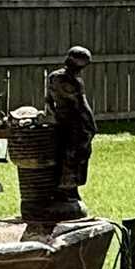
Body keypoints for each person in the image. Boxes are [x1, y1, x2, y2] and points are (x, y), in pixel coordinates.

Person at [43, 44, 95, 211]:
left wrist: (54, 117)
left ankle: (62, 189)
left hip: (60, 122)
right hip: (76, 123)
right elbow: (82, 105)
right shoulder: (74, 81)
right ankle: (70, 190)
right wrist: (92, 125)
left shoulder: (53, 77)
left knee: (61, 155)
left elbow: (48, 101)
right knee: (77, 156)